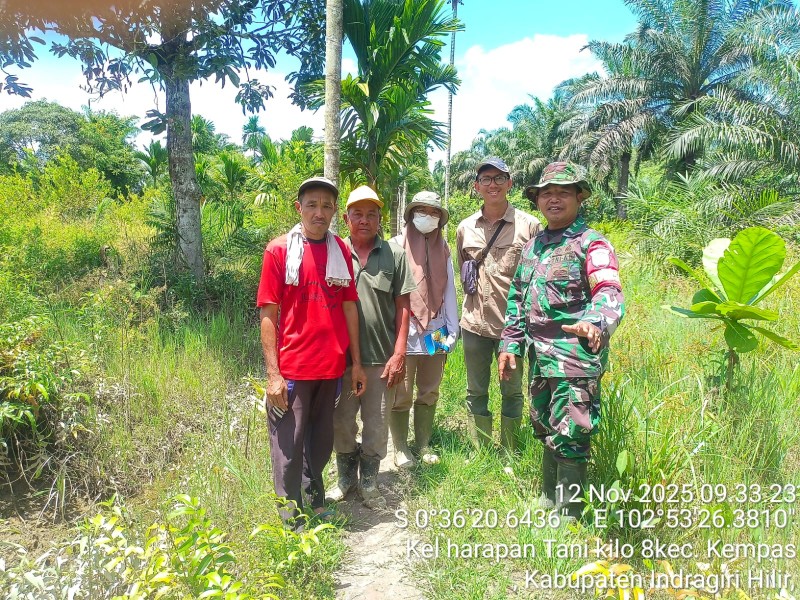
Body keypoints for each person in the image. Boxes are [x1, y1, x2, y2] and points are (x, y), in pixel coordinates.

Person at [498, 161, 625, 519]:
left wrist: (595, 322)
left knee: (571, 429)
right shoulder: (533, 246)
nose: (554, 199)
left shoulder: (592, 243)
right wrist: (510, 343)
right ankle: (547, 498)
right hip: (540, 355)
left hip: (574, 357)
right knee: (543, 422)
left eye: (563, 192)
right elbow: (518, 297)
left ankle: (569, 513)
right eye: (547, 193)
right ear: (538, 200)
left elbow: (609, 290)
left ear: (578, 197)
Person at [256, 176, 366, 528]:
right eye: (313, 205)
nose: (320, 212)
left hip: (330, 367)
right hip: (292, 369)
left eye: (327, 206)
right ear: (299, 207)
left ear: (335, 212)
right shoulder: (279, 251)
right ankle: (290, 520)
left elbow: (350, 307)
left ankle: (315, 499)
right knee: (288, 448)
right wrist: (273, 374)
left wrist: (357, 364)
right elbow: (268, 313)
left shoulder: (340, 253)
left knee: (320, 444)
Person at [328, 185, 415, 508]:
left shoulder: (394, 255)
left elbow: (404, 306)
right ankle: (345, 478)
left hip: (381, 357)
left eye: (371, 214)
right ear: (347, 218)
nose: (364, 220)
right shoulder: (333, 251)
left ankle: (369, 482)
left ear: (380, 218)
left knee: (377, 424)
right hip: (340, 360)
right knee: (341, 420)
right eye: (358, 214)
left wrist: (399, 352)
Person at [456, 157, 541, 453]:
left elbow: (537, 279)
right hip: (474, 324)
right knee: (476, 390)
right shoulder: (465, 227)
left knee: (513, 391)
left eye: (499, 178)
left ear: (510, 183)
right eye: (486, 179)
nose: (492, 184)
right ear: (477, 186)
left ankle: (510, 450)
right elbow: (464, 269)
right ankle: (480, 449)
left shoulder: (529, 226)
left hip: (513, 328)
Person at [389, 191, 459, 467]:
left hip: (437, 329)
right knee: (401, 390)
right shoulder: (394, 246)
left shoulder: (444, 249)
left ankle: (423, 443)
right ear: (411, 215)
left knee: (429, 389)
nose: (427, 217)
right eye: (422, 211)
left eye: (433, 213)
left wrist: (453, 329)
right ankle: (399, 447)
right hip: (404, 331)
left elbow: (450, 291)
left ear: (440, 220)